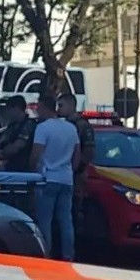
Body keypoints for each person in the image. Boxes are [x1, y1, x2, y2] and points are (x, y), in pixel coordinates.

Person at [30, 95, 81, 261]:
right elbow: (77, 156)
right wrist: (69, 171)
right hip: (66, 179)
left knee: (45, 220)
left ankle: (46, 253)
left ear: (45, 107)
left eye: (39, 107)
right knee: (66, 219)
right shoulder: (71, 128)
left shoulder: (43, 128)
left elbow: (36, 153)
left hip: (47, 178)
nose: (37, 110)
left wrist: (33, 170)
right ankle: (68, 254)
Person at [57, 94, 96, 231]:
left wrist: (78, 169)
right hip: (64, 172)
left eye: (61, 105)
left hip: (76, 174)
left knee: (75, 209)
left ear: (71, 105)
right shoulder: (64, 125)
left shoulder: (82, 125)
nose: (58, 109)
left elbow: (89, 150)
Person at [0, 95, 37, 172]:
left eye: (8, 108)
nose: (6, 112)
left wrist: (1, 153)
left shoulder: (28, 125)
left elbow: (17, 146)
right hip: (9, 166)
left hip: (22, 169)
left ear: (16, 108)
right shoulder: (12, 126)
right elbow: (2, 141)